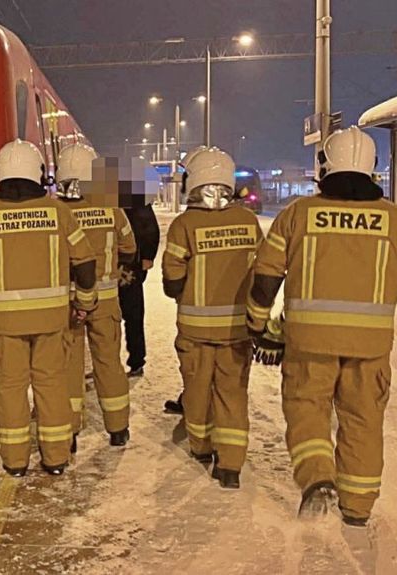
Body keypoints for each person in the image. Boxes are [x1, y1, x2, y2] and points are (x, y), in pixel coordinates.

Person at [246, 126, 397, 526]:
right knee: (364, 422)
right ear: (373, 169)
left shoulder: (297, 214)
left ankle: (317, 479)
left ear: (325, 167)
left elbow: (265, 276)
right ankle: (357, 509)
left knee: (307, 411)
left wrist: (257, 324)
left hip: (308, 343)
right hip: (369, 349)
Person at [0, 140, 97, 476]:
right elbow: (86, 263)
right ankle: (56, 458)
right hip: (52, 323)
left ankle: (16, 461)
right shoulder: (59, 212)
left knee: (11, 391)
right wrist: (85, 303)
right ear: (38, 175)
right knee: (51, 387)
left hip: (6, 328)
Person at [161, 147, 262, 489]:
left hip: (195, 330)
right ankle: (231, 465)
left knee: (198, 388)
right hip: (237, 330)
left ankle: (202, 448)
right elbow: (263, 271)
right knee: (232, 394)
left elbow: (172, 280)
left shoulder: (184, 225)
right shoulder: (248, 221)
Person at [55, 143, 138, 447]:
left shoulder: (57, 212)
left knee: (69, 365)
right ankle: (118, 428)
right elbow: (129, 248)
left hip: (68, 302)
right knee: (109, 362)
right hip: (106, 300)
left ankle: (71, 429)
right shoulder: (111, 208)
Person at [119, 186, 160, 377]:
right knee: (127, 316)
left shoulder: (135, 200)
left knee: (131, 315)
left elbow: (150, 230)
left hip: (128, 267)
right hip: (126, 266)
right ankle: (128, 362)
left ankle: (136, 360)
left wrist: (147, 257)